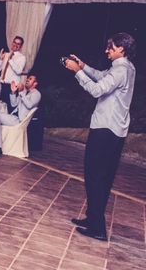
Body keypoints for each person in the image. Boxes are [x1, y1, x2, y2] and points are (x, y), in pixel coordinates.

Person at [64, 33, 136, 241]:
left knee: (95, 176)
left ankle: (98, 228)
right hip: (114, 129)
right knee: (101, 177)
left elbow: (97, 90)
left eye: (111, 47)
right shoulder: (127, 67)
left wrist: (77, 72)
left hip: (106, 129)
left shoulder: (121, 70)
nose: (107, 51)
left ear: (121, 49)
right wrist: (84, 66)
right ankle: (93, 218)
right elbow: (102, 75)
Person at [0, 36, 26, 113]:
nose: (16, 45)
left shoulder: (22, 58)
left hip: (11, 87)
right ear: (12, 43)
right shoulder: (6, 54)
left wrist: (10, 59)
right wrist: (0, 59)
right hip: (1, 84)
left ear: (21, 46)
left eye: (18, 44)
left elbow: (19, 71)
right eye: (14, 42)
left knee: (9, 109)